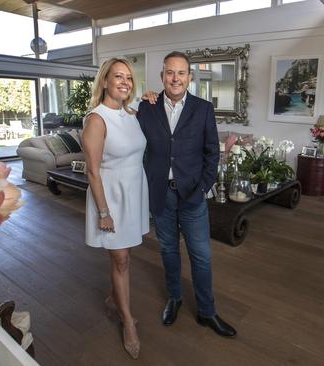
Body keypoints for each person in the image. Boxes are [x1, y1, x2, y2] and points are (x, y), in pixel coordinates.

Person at [137, 51, 237, 338]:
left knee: (201, 256)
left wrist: (203, 188)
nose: (175, 78)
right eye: (170, 72)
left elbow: (212, 154)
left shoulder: (203, 109)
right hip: (160, 195)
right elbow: (132, 139)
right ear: (162, 76)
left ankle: (207, 312)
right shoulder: (147, 108)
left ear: (190, 77)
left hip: (192, 195)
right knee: (168, 250)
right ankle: (175, 298)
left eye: (181, 73)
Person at [82, 57, 149, 359]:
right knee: (120, 258)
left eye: (129, 78)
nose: (124, 82)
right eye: (117, 77)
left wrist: (152, 98)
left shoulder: (132, 114)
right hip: (111, 196)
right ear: (105, 81)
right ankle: (127, 321)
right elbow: (92, 171)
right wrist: (104, 212)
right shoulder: (97, 120)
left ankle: (113, 299)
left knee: (125, 255)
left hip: (134, 191)